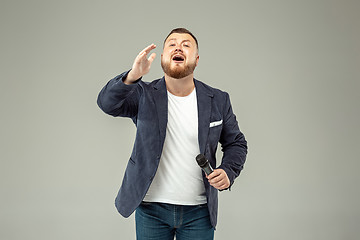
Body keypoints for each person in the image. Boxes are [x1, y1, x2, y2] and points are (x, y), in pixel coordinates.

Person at [97, 28, 248, 240]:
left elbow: (237, 143)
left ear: (196, 59)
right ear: (162, 58)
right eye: (172, 44)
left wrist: (228, 171)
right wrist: (133, 76)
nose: (178, 47)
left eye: (186, 44)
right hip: (151, 209)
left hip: (199, 211)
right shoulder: (144, 94)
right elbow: (107, 104)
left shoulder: (218, 100)